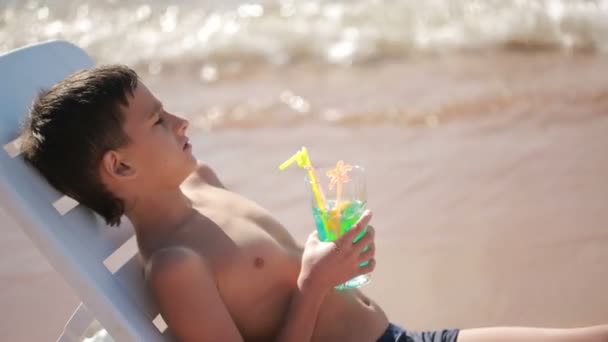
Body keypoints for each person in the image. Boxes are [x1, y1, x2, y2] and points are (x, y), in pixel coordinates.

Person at [19, 65, 608, 342]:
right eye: (158, 120)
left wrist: (332, 263)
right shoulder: (177, 266)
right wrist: (315, 283)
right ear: (120, 166)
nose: (181, 120)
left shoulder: (204, 180)